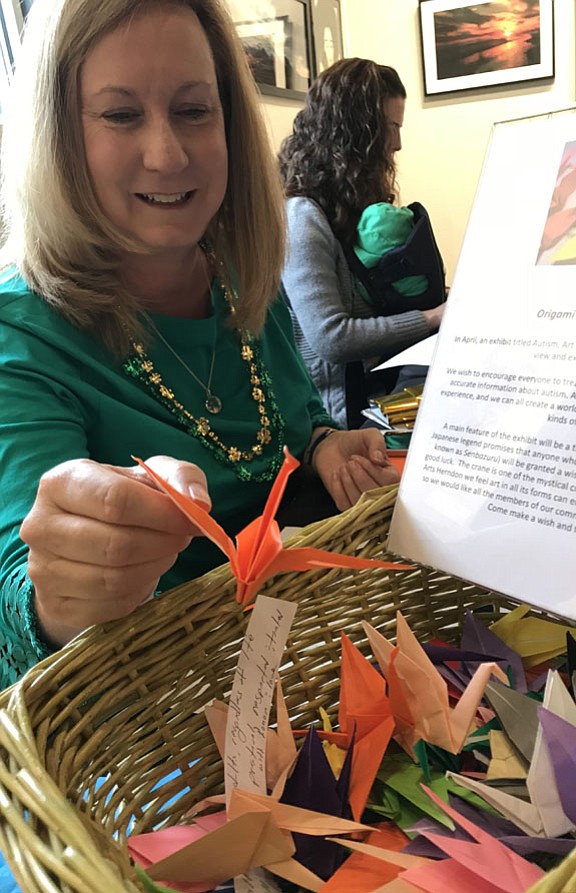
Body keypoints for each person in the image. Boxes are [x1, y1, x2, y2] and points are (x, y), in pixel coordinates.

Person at [0, 0, 400, 689]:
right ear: (59, 135)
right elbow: (19, 602)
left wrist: (329, 446)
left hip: (304, 667)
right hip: (145, 725)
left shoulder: (246, 276)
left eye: (193, 110)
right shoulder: (21, 333)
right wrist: (61, 597)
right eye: (121, 115)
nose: (167, 153)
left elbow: (298, 430)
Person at [278, 58, 446, 430]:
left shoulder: (345, 205)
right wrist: (432, 317)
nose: (398, 143)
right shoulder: (302, 218)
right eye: (391, 127)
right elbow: (332, 338)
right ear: (356, 130)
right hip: (343, 421)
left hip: (375, 395)